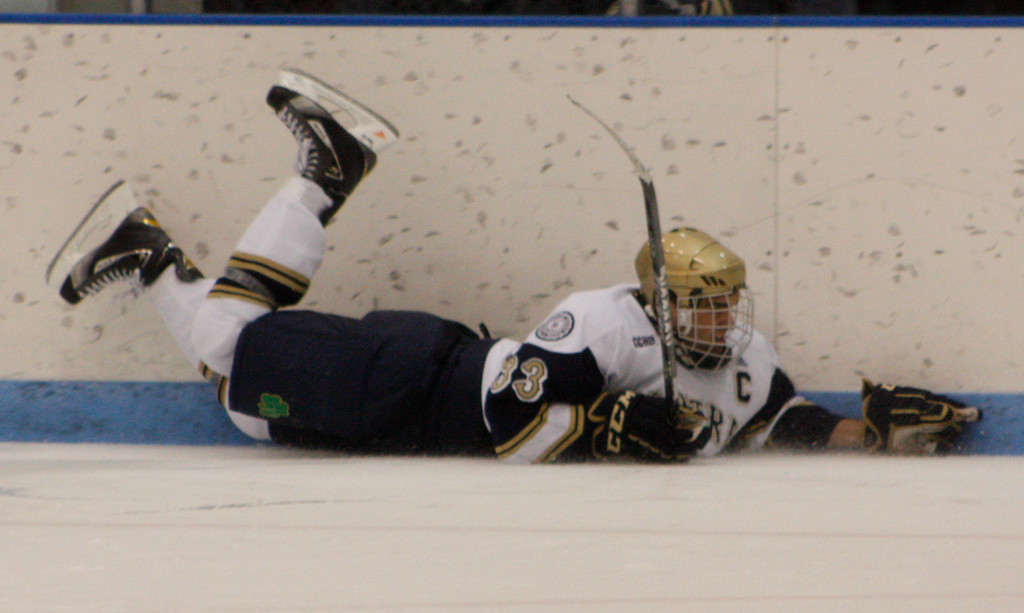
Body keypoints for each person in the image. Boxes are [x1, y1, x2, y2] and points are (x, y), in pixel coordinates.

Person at [51, 68, 980, 463]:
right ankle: (292, 185)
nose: (721, 321)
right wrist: (607, 427)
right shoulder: (604, 320)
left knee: (247, 412)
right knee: (228, 361)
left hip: (404, 421)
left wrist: (877, 431)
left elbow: (791, 427)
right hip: (415, 382)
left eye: (726, 303)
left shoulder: (748, 361)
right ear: (662, 299)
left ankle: (160, 251)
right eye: (702, 304)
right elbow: (511, 422)